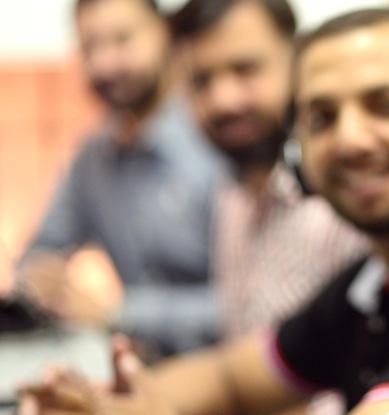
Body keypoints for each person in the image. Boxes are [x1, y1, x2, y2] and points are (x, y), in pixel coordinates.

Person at [16, 7, 389, 415]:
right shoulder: (371, 282)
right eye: (322, 117)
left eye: (385, 106)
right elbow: (231, 377)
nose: (350, 139)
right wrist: (103, 402)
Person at [9, 0, 227, 357]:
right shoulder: (93, 158)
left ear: (166, 34)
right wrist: (41, 279)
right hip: (136, 368)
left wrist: (118, 313)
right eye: (89, 47)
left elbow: (252, 304)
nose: (104, 64)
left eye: (122, 40)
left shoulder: (220, 136)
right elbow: (40, 251)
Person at [169, 0, 369, 340]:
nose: (223, 100)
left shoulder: (346, 197)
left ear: (298, 61)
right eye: (201, 81)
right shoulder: (230, 194)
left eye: (245, 69)